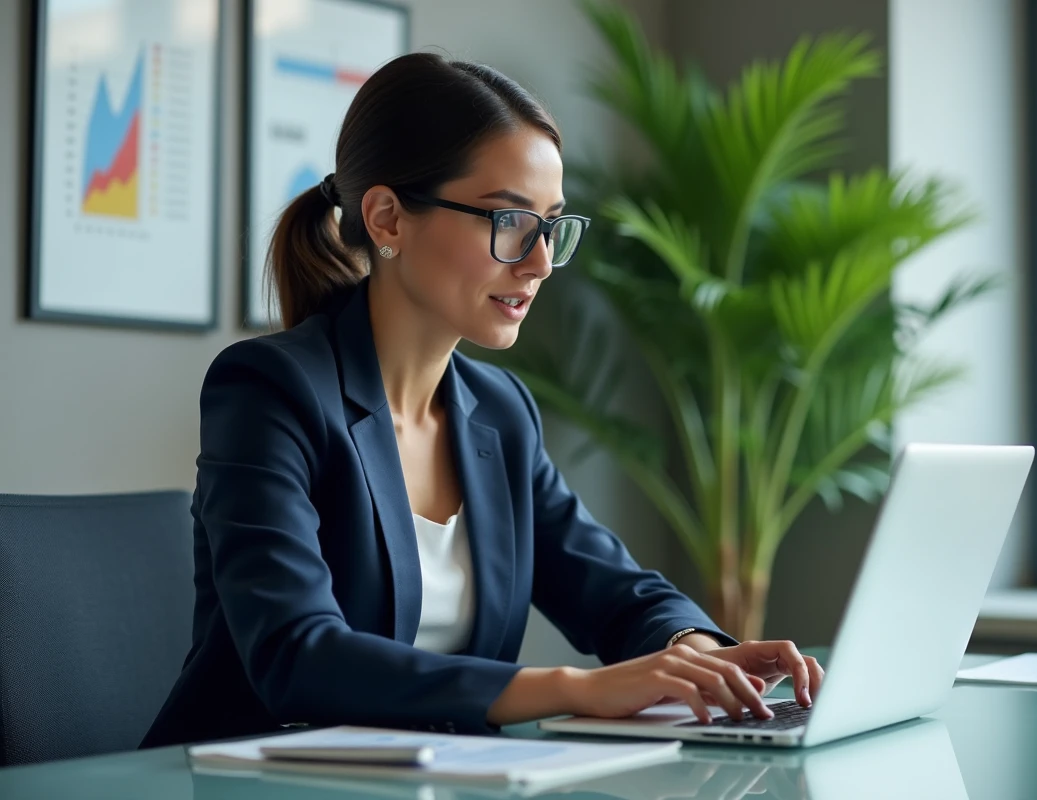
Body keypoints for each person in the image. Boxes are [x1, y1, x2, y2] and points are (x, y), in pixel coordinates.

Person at [141, 52, 822, 749]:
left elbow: (615, 590)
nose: (539, 262)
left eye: (551, 226)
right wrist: (576, 688)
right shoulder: (269, 389)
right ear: (387, 220)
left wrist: (697, 652)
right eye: (508, 221)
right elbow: (298, 655)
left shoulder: (499, 411)